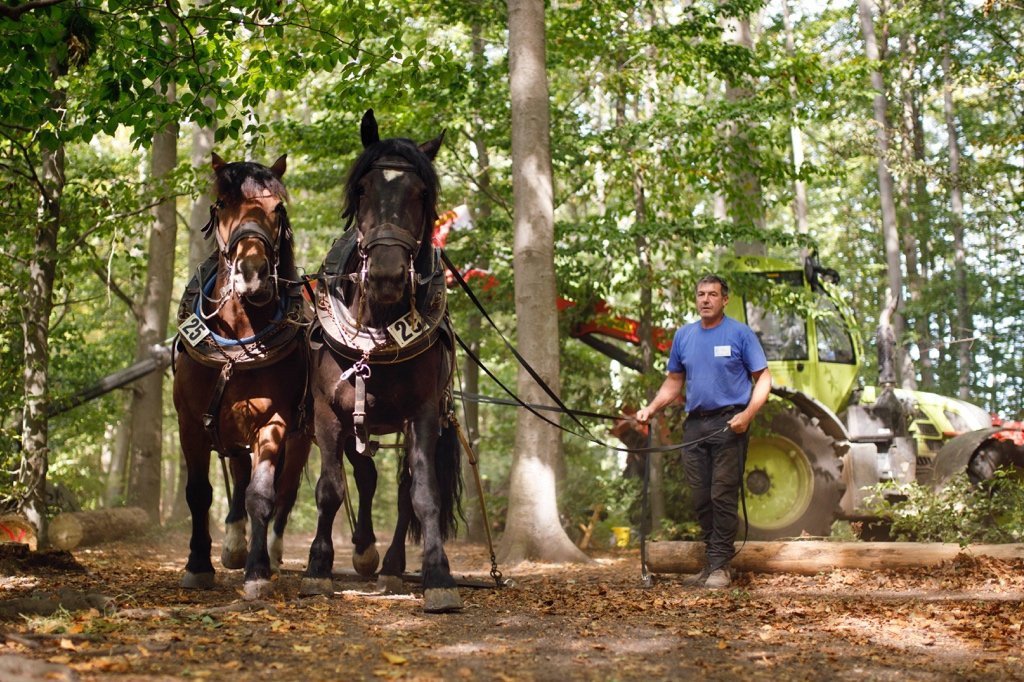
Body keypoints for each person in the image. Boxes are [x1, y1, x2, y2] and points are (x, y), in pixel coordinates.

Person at [635, 274, 771, 588]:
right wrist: (650, 409)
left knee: (722, 495)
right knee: (700, 498)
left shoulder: (740, 333)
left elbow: (764, 378)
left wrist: (747, 415)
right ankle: (711, 565)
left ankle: (721, 567)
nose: (705, 299)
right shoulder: (684, 336)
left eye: (712, 294)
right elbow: (673, 381)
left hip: (729, 423)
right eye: (700, 294)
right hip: (695, 425)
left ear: (725, 299)